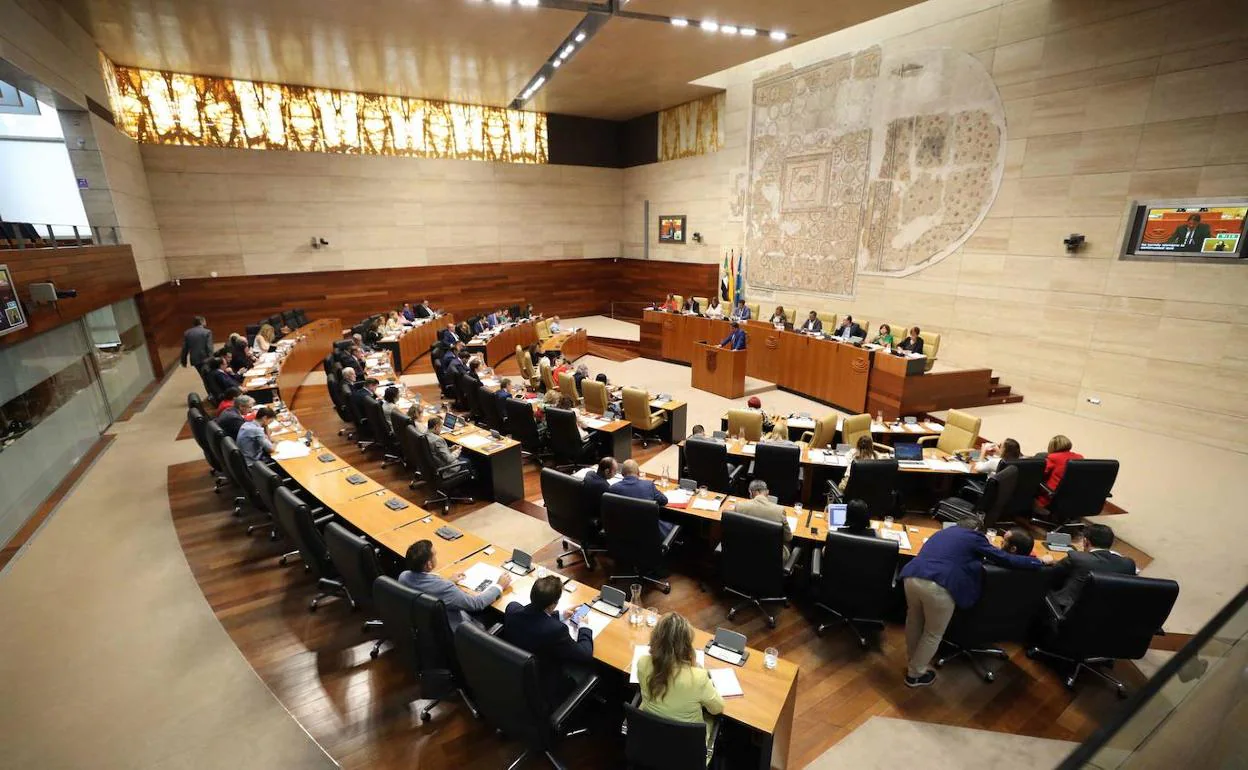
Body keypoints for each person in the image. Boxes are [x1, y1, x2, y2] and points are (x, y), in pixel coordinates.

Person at [899, 519, 1050, 687]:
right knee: (932, 634)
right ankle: (915, 674)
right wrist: (1039, 561)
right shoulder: (975, 537)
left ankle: (913, 660)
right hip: (939, 586)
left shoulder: (942, 533)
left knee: (914, 621)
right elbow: (1005, 559)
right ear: (978, 531)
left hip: (912, 577)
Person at [636, 612, 724, 753]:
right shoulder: (698, 678)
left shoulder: (642, 663)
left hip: (650, 739)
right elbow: (717, 708)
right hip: (687, 751)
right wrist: (697, 670)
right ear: (686, 645)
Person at [501, 575, 594, 703]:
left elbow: (533, 617)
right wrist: (584, 626)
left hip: (516, 674)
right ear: (552, 604)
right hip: (546, 685)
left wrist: (560, 615)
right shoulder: (556, 630)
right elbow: (585, 654)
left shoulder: (512, 609)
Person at [398, 540, 511, 630]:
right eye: (435, 555)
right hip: (456, 633)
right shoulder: (445, 588)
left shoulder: (403, 576)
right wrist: (499, 586)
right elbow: (476, 604)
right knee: (497, 615)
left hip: (424, 628)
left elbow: (431, 588)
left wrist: (449, 581)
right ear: (429, 565)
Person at [1047, 524, 1137, 617]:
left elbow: (1052, 576)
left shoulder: (1077, 557)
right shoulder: (1128, 564)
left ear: (1085, 542)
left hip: (1068, 612)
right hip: (1108, 615)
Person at [612, 459, 672, 537]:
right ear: (638, 473)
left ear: (622, 474)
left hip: (622, 533)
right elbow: (664, 500)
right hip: (648, 534)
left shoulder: (612, 488)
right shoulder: (648, 485)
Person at [734, 479, 792, 558]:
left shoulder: (739, 506)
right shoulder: (779, 510)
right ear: (767, 492)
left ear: (751, 493)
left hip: (746, 552)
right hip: (772, 557)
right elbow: (788, 537)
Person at [1038, 434, 1083, 505]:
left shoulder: (1053, 457)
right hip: (1072, 495)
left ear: (1053, 446)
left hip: (1051, 495)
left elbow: (1041, 473)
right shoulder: (1079, 457)